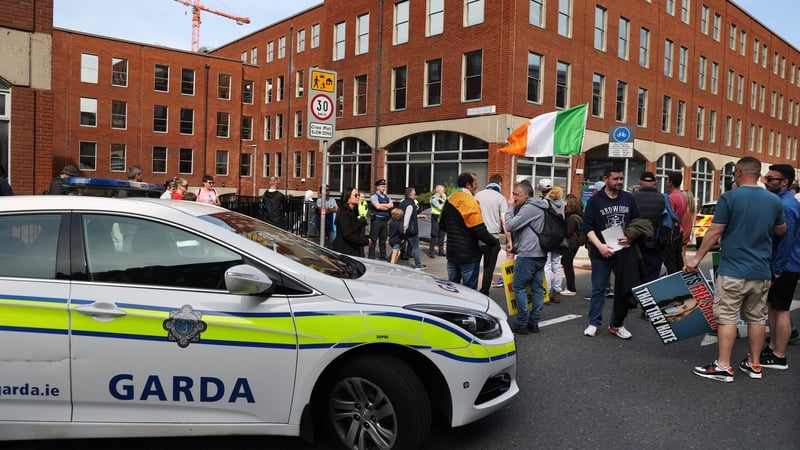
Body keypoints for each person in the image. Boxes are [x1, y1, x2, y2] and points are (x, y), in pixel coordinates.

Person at [685, 156, 786, 383]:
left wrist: (696, 259)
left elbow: (715, 231)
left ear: (739, 172)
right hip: (761, 270)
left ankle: (723, 366)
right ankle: (755, 364)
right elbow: (781, 230)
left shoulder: (730, 197)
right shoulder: (773, 200)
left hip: (733, 270)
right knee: (757, 318)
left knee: (727, 317)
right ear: (759, 175)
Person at [581, 166, 641, 339]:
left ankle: (617, 324)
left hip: (623, 252)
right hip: (601, 253)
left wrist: (630, 237)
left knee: (622, 290)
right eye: (615, 179)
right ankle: (594, 323)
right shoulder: (595, 200)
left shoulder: (629, 198)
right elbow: (587, 226)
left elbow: (637, 221)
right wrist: (599, 246)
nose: (619, 182)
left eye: (621, 178)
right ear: (606, 179)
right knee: (598, 288)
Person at [761, 164, 800, 371]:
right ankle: (773, 347)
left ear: (784, 182)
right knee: (774, 307)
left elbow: (787, 240)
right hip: (784, 263)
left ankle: (779, 356)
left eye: (770, 179)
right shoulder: (782, 202)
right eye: (766, 178)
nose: (766, 182)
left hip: (786, 265)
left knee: (782, 309)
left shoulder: (786, 206)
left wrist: (777, 268)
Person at [504, 180, 551, 334]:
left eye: (516, 194)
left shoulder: (529, 207)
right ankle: (534, 322)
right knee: (537, 288)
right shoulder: (540, 205)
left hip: (528, 254)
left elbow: (510, 225)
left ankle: (522, 323)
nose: (514, 197)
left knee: (519, 287)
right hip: (540, 253)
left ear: (526, 195)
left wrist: (509, 209)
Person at [439, 172, 499, 290]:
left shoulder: (450, 199)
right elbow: (479, 230)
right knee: (469, 290)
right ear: (468, 185)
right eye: (475, 183)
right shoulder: (470, 201)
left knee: (452, 288)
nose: (477, 186)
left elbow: (442, 226)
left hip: (452, 253)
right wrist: (494, 242)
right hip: (468, 254)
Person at [475, 174, 509, 295]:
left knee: (474, 265)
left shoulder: (477, 195)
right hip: (493, 237)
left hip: (477, 236)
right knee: (488, 268)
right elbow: (504, 220)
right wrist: (509, 239)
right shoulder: (500, 198)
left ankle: (472, 289)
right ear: (500, 183)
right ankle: (484, 291)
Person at [632, 171, 666, 283]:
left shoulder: (632, 198)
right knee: (653, 273)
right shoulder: (663, 199)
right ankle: (650, 291)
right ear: (655, 183)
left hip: (636, 241)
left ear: (640, 182)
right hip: (656, 241)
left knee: (636, 271)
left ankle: (638, 291)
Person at [539, 180, 566, 303]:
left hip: (548, 236)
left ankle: (547, 292)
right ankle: (557, 292)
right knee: (557, 265)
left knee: (547, 265)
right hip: (559, 236)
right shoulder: (563, 204)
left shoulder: (545, 203)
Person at [332, 187, 370, 257]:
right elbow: (348, 235)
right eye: (355, 195)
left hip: (353, 249)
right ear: (348, 198)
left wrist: (360, 224)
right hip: (344, 251)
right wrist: (365, 241)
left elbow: (354, 228)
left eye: (358, 195)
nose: (358, 197)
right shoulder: (344, 213)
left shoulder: (354, 211)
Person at [561, 194, 584, 296]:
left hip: (571, 243)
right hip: (575, 243)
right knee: (567, 263)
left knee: (567, 265)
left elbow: (568, 232)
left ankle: (571, 288)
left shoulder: (572, 218)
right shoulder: (579, 216)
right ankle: (570, 287)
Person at [399, 187, 427, 269]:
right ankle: (418, 264)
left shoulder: (402, 203)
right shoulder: (410, 204)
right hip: (410, 229)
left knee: (398, 245)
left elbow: (407, 215)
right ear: (410, 195)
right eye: (414, 194)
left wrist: (418, 216)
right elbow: (407, 217)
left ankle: (390, 261)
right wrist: (405, 227)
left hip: (403, 227)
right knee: (416, 247)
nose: (415, 196)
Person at [666, 171, 689, 267]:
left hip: (672, 233)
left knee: (671, 262)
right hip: (680, 231)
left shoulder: (671, 197)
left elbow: (670, 216)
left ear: (671, 182)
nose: (666, 182)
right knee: (678, 259)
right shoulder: (684, 197)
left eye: (667, 179)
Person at [368, 179, 394, 260]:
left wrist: (382, 205)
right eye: (382, 186)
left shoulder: (387, 196)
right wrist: (386, 206)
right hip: (376, 221)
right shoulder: (374, 197)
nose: (384, 188)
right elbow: (377, 206)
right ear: (378, 187)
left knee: (383, 240)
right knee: (373, 239)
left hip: (384, 221)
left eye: (384, 186)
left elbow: (391, 205)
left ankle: (383, 255)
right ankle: (371, 255)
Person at [428, 184, 447, 257]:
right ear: (438, 190)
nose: (444, 191)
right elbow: (439, 207)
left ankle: (441, 250)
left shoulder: (442, 198)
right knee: (434, 234)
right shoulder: (434, 198)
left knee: (442, 234)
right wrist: (445, 200)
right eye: (443, 190)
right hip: (435, 218)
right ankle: (431, 251)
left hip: (442, 218)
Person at [357, 190, 371, 257]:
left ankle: (362, 254)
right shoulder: (356, 203)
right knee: (357, 237)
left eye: (364, 197)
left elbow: (366, 211)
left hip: (363, 221)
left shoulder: (365, 203)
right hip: (357, 221)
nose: (363, 198)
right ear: (358, 197)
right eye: (362, 197)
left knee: (362, 238)